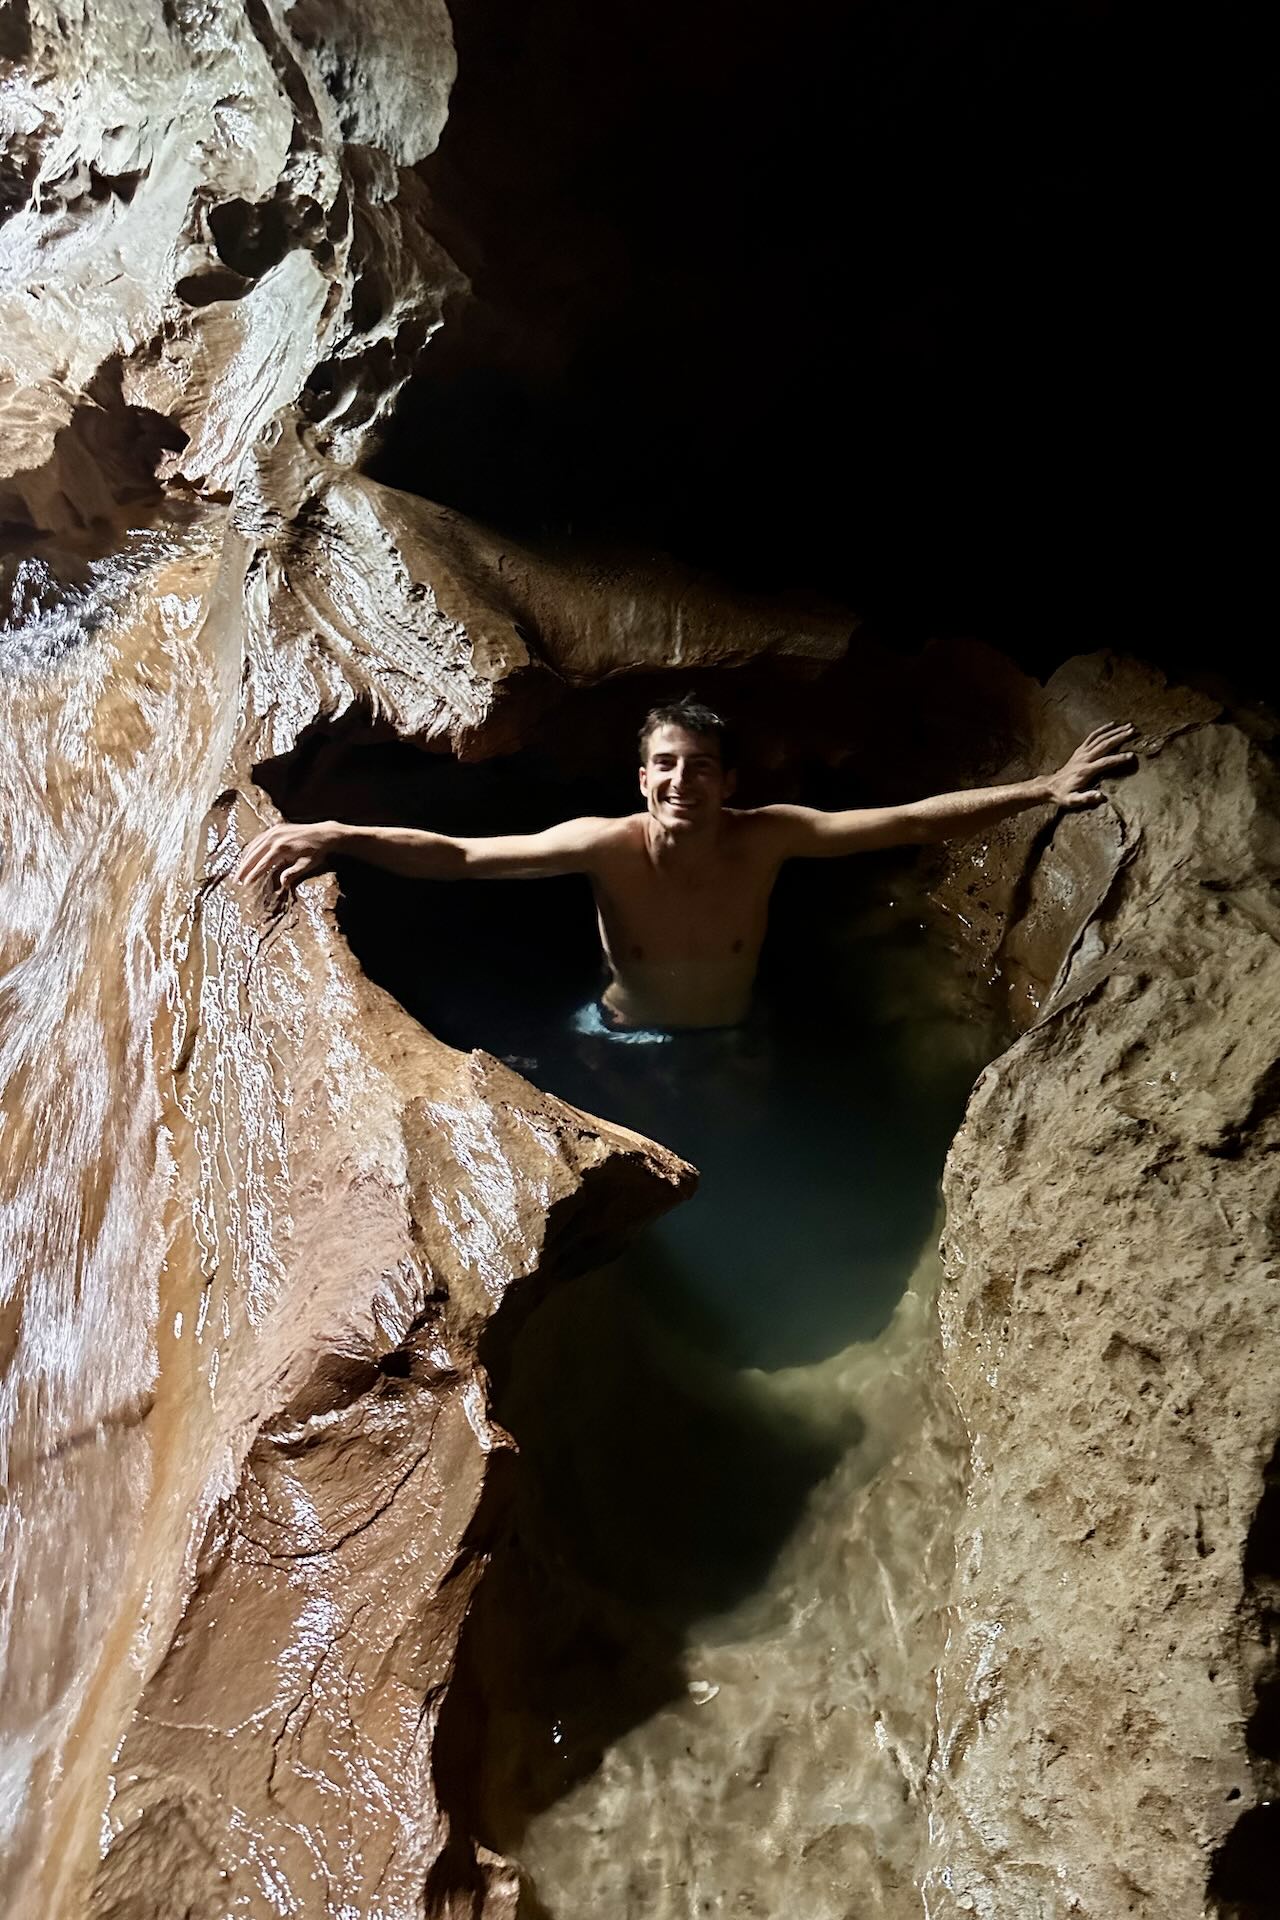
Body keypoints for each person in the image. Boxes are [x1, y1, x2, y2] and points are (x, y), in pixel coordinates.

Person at [236, 696, 1138, 1032]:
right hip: (620, 1034)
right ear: (642, 779)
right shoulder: (605, 844)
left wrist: (1044, 787)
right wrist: (335, 834)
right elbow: (465, 855)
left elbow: (901, 822)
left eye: (700, 766)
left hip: (734, 1034)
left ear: (727, 781)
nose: (681, 781)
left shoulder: (769, 834)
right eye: (665, 765)